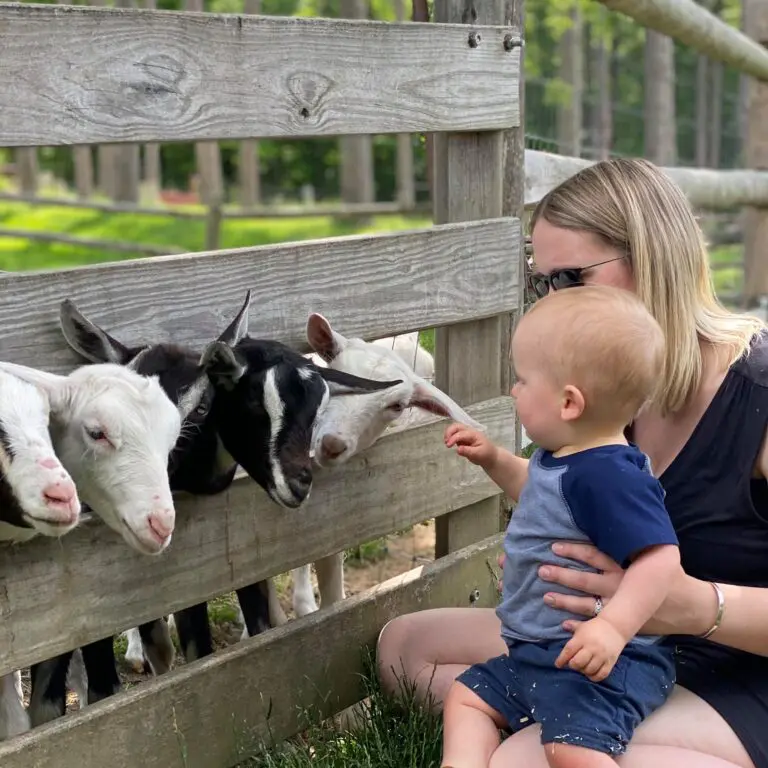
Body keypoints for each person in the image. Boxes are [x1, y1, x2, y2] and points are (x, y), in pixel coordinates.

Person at [376, 156, 768, 768]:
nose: (547, 305)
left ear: (653, 259)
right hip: (612, 646)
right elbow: (556, 499)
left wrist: (694, 606)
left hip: (739, 668)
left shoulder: (758, 396)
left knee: (525, 760)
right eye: (541, 282)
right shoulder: (600, 390)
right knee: (406, 648)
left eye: (569, 279)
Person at [440, 285, 680, 768]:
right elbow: (535, 490)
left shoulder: (609, 476)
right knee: (464, 698)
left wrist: (612, 629)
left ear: (570, 403)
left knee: (569, 750)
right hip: (541, 653)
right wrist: (493, 459)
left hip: (604, 665)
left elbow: (660, 558)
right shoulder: (564, 457)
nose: (513, 389)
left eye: (523, 380)